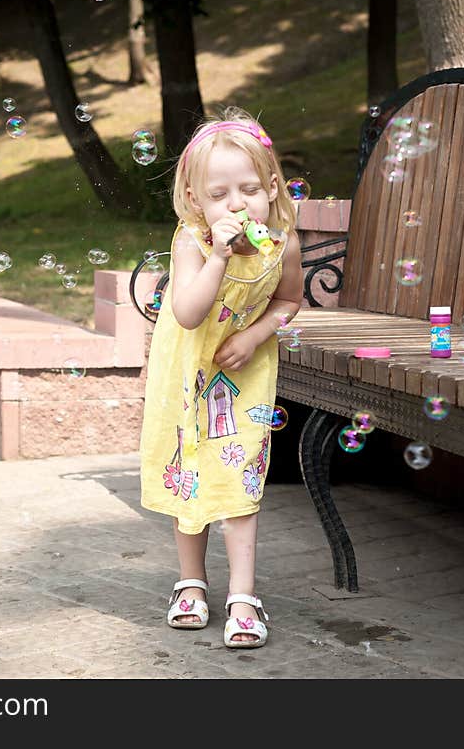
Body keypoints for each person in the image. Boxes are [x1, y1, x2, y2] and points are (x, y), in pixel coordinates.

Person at [139, 108, 303, 648]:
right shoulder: (192, 242)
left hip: (244, 372)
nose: (237, 204)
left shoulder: (284, 243)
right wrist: (217, 256)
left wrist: (256, 336)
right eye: (220, 194)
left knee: (239, 482)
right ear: (195, 201)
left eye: (250, 189)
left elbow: (288, 299)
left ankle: (243, 597)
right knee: (191, 475)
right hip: (188, 374)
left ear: (271, 187)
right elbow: (187, 312)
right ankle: (191, 584)